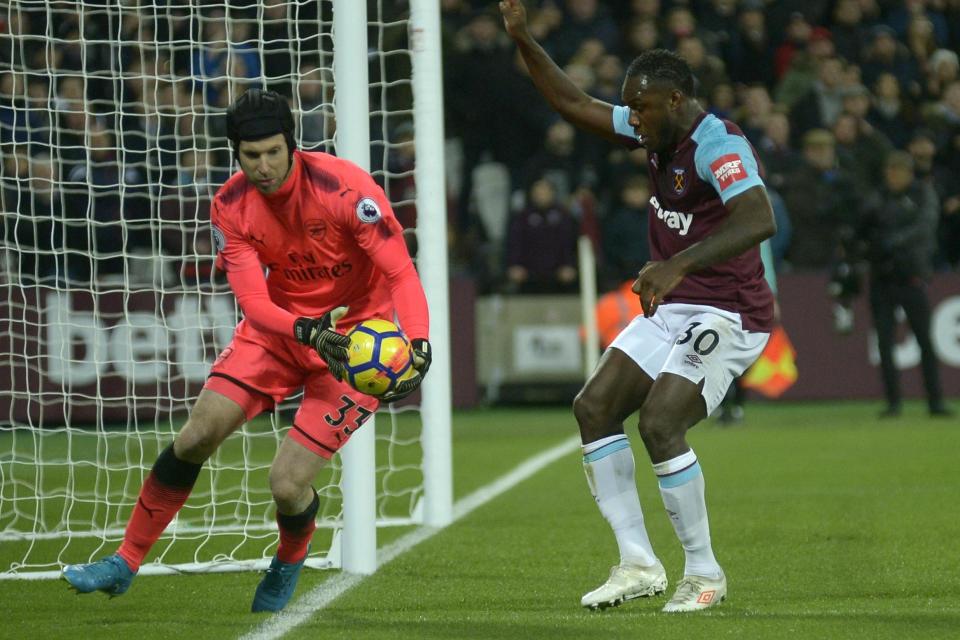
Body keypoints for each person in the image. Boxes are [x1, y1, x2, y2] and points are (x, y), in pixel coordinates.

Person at [61, 88, 432, 612]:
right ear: (236, 153)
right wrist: (305, 331)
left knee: (286, 485)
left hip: (355, 346)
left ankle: (290, 556)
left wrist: (417, 342)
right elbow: (254, 303)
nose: (264, 166)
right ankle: (125, 560)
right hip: (279, 334)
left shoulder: (347, 190)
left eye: (274, 152)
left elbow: (399, 271)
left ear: (292, 146)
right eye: (251, 156)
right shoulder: (230, 206)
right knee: (196, 435)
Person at [500, 0, 776, 613]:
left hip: (729, 312)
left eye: (642, 107)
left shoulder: (716, 144)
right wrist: (523, 39)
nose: (633, 119)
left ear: (674, 101)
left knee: (660, 422)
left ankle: (704, 573)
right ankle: (638, 563)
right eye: (631, 107)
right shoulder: (656, 125)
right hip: (676, 304)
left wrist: (677, 263)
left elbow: (760, 217)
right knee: (594, 407)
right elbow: (573, 104)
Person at [856, 151, 952, 419]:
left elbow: (925, 227)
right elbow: (862, 229)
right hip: (882, 279)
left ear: (909, 173)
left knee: (924, 340)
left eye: (898, 171)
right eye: (890, 171)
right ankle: (893, 403)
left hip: (911, 277)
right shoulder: (877, 197)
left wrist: (892, 242)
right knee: (884, 343)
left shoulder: (922, 195)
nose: (893, 177)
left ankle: (935, 401)